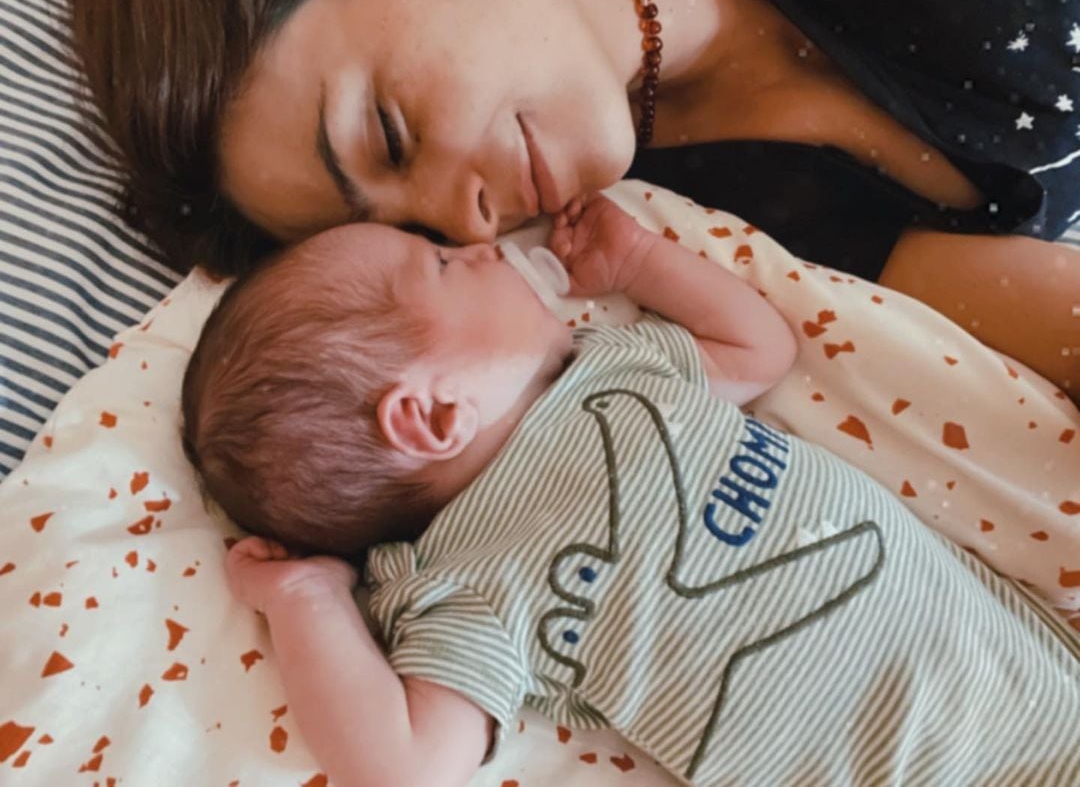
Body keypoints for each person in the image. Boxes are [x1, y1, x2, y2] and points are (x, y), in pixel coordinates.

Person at [184, 194, 1079, 787]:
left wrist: (640, 263)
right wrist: (307, 603)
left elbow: (758, 349)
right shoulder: (464, 588)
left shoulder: (612, 368)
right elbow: (401, 770)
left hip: (1022, 693)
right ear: (430, 416)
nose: (480, 245)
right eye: (444, 267)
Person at [71, 0, 1080, 401]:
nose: (469, 223)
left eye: (388, 132)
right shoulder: (702, 225)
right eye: (412, 232)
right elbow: (1044, 318)